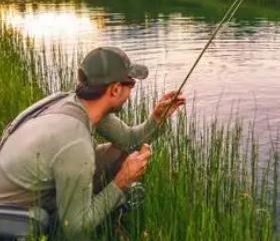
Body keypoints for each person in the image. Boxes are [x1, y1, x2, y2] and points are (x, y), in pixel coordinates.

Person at [0, 47, 185, 239]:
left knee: (117, 154)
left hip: (31, 193)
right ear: (115, 89)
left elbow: (129, 140)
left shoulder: (75, 102)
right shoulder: (74, 141)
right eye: (130, 83)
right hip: (11, 217)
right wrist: (121, 182)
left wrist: (156, 118)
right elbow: (73, 229)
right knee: (54, 222)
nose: (132, 89)